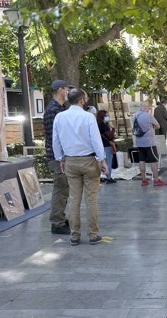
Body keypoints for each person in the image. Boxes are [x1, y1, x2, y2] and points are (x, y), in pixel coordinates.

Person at [52, 88, 109, 246]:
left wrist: (60, 158)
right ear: (82, 100)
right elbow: (96, 140)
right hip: (89, 160)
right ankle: (93, 234)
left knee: (73, 199)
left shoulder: (60, 117)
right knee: (91, 199)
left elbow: (55, 140)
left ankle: (74, 235)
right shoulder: (88, 117)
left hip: (70, 160)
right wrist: (102, 160)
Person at [43, 79, 74, 235]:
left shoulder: (60, 109)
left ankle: (59, 218)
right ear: (60, 90)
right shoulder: (53, 110)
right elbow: (55, 137)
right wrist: (61, 157)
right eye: (68, 89)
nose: (69, 92)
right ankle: (57, 222)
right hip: (57, 157)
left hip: (62, 156)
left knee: (63, 189)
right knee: (61, 189)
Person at [132, 101, 167, 187]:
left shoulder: (135, 115)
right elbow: (158, 126)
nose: (149, 109)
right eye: (148, 107)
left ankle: (144, 180)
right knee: (154, 161)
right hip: (149, 142)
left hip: (139, 142)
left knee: (141, 160)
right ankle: (156, 180)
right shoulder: (148, 116)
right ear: (145, 107)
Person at [96, 110, 117, 184]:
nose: (108, 117)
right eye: (106, 115)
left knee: (100, 162)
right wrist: (113, 129)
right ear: (103, 116)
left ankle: (101, 176)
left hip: (99, 146)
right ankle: (108, 177)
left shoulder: (96, 124)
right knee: (108, 161)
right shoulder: (104, 125)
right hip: (107, 145)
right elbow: (109, 135)